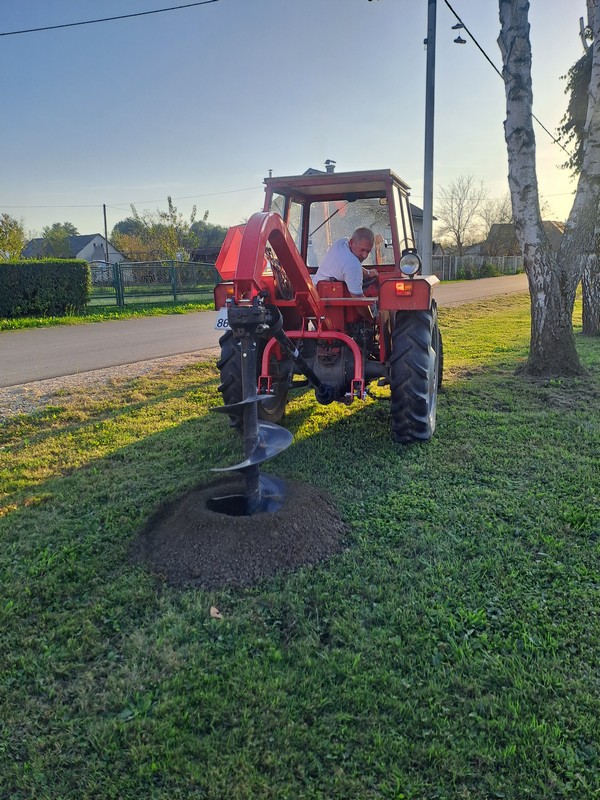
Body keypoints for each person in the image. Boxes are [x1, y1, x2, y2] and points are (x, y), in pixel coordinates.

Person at [312, 227, 378, 297]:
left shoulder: (342, 243)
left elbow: (348, 266)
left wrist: (368, 273)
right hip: (320, 298)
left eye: (368, 251)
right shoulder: (353, 265)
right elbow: (358, 301)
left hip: (315, 288)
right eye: (362, 250)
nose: (365, 255)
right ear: (351, 242)